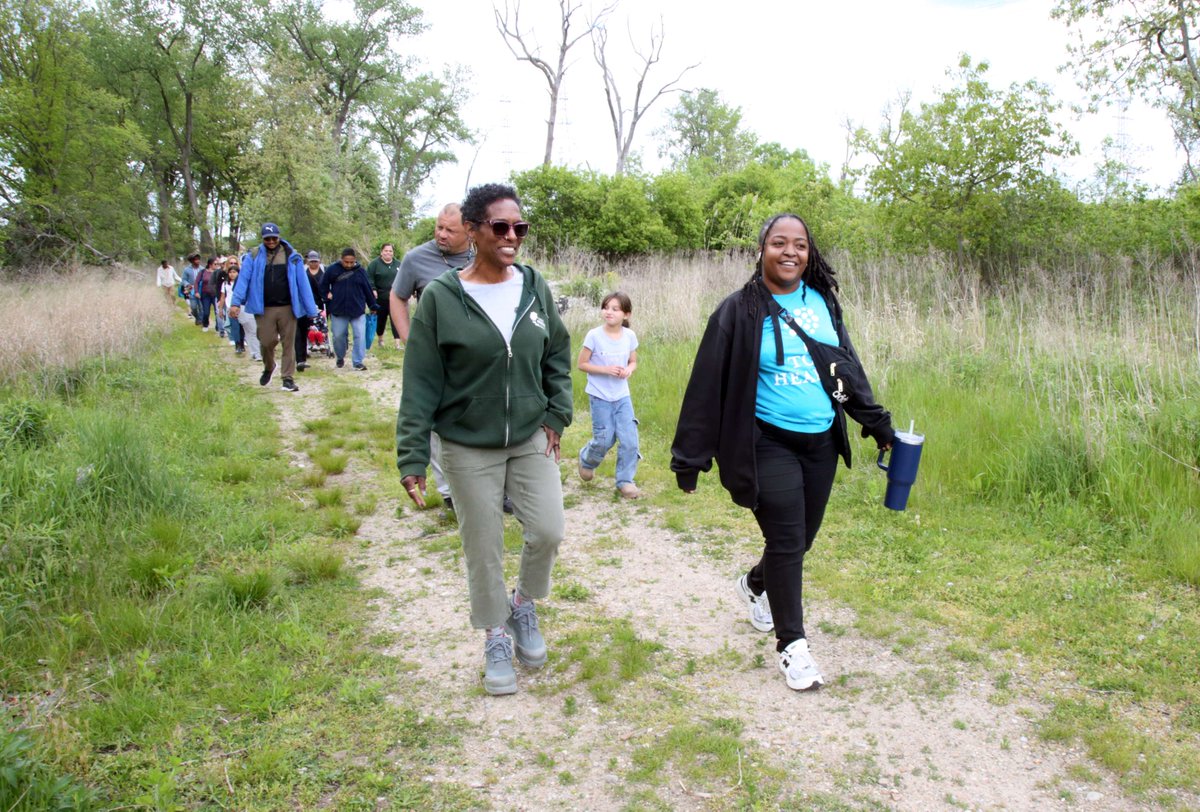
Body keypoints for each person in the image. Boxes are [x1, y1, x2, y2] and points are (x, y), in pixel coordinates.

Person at [670, 213, 896, 693]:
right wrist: (690, 458)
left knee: (798, 540)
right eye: (779, 243)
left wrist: (878, 424)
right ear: (761, 250)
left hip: (821, 443)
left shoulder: (822, 302)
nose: (790, 252)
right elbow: (706, 385)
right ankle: (793, 645)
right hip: (765, 441)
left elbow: (846, 369)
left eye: (799, 244)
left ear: (809, 253)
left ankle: (754, 585)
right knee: (789, 542)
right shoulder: (738, 311)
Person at [396, 183, 572, 696]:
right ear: (473, 231)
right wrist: (411, 454)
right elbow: (421, 380)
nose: (512, 235)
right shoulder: (442, 299)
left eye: (519, 226)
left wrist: (556, 414)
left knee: (548, 530)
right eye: (500, 226)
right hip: (466, 443)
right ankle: (495, 633)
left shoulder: (534, 286)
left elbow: (556, 354)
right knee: (484, 546)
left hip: (528, 435)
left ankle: (522, 606)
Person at [391, 203, 474, 509]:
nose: (441, 234)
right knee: (438, 423)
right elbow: (398, 296)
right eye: (439, 227)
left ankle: (492, 487)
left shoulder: (480, 257)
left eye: (449, 230)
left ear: (469, 230)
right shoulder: (417, 258)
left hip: (474, 356)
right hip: (435, 354)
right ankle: (450, 492)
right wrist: (408, 338)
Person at [229, 222, 318, 393]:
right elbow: (243, 281)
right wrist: (235, 303)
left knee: (288, 343)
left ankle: (287, 378)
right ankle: (269, 366)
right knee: (266, 341)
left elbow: (303, 283)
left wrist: (310, 309)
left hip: (288, 307)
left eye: (274, 238)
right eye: (267, 239)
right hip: (264, 308)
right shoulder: (253, 256)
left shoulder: (292, 256)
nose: (271, 241)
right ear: (263, 239)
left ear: (279, 237)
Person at [577, 291, 641, 499]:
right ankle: (587, 459)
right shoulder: (594, 335)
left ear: (626, 314)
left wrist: (629, 370)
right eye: (606, 307)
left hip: (622, 396)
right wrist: (606, 370)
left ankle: (625, 481)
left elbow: (633, 361)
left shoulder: (629, 336)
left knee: (630, 440)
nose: (608, 312)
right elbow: (581, 364)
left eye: (615, 309)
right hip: (600, 396)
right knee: (604, 439)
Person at [320, 247, 378, 371]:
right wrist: (326, 295)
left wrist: (373, 305)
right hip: (338, 309)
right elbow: (322, 285)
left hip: (357, 310)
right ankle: (340, 356)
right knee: (338, 336)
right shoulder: (332, 269)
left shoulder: (361, 271)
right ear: (341, 259)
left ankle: (358, 361)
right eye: (346, 262)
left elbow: (367, 289)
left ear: (355, 260)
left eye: (351, 262)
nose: (349, 265)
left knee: (360, 336)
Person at [366, 243, 402, 349]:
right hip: (380, 297)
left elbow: (404, 277)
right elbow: (369, 278)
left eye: (390, 251)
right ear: (381, 252)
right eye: (386, 251)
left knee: (396, 319)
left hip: (395, 297)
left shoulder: (398, 264)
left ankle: (397, 344)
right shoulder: (374, 264)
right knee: (381, 320)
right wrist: (373, 289)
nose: (388, 253)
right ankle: (380, 340)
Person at [296, 251, 325, 371]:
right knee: (296, 334)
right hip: (294, 308)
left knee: (303, 332)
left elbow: (318, 292)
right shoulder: (289, 276)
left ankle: (301, 358)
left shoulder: (308, 277)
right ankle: (299, 359)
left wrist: (316, 308)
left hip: (309, 308)